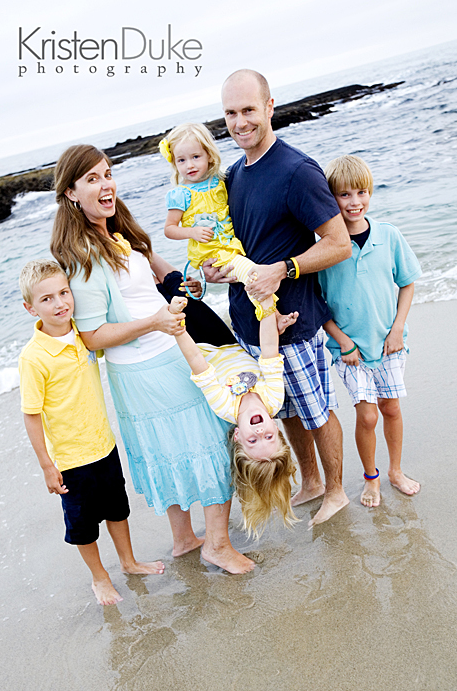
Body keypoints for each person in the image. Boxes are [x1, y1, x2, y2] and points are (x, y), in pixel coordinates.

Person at [50, 144, 254, 575]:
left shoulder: (115, 232)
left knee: (183, 445)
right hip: (149, 365)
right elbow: (91, 336)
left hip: (165, 350)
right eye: (92, 179)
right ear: (71, 193)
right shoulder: (83, 257)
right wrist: (155, 322)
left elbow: (159, 275)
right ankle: (216, 545)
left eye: (107, 174)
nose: (106, 184)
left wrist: (188, 285)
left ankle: (185, 540)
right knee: (214, 439)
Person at [205, 69, 351, 527]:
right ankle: (309, 482)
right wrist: (215, 271)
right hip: (251, 327)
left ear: (269, 107)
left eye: (248, 109)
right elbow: (239, 247)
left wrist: (284, 269)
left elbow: (338, 243)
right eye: (230, 113)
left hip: (296, 322)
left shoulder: (296, 170)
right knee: (283, 409)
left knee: (315, 411)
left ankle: (337, 491)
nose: (239, 121)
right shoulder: (234, 174)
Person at [18, 259, 165, 606]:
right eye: (47, 299)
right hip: (70, 459)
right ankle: (100, 578)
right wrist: (46, 466)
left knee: (118, 509)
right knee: (83, 525)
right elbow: (32, 415)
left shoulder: (84, 337)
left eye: (63, 293)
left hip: (104, 445)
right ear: (30, 308)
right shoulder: (34, 357)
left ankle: (128, 562)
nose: (60, 304)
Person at [319, 155, 422, 507]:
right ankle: (371, 477)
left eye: (361, 192)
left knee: (391, 409)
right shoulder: (325, 247)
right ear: (331, 198)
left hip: (389, 343)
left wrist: (398, 329)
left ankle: (395, 470)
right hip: (349, 350)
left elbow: (407, 284)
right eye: (344, 195)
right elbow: (318, 304)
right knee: (367, 414)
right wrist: (343, 341)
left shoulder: (388, 235)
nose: (354, 202)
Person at [168, 293, 298, 537]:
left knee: (164, 296)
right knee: (181, 289)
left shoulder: (225, 406)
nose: (260, 433)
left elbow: (197, 361)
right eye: (268, 438)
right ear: (277, 431)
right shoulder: (273, 398)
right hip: (224, 339)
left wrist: (177, 327)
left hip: (197, 344)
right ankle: (154, 261)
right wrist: (268, 306)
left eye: (253, 441)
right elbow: (269, 349)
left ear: (238, 436)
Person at [160, 122, 277, 320]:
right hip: (212, 252)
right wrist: (192, 232)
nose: (189, 165)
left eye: (195, 157)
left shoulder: (219, 180)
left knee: (250, 279)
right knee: (253, 275)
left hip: (231, 245)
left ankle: (272, 316)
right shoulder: (180, 194)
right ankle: (274, 321)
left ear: (209, 155)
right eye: (181, 160)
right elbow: (169, 229)